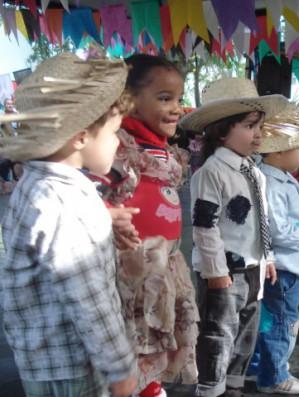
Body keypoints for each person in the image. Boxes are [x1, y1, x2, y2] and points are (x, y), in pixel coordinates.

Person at [0, 53, 137, 397]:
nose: (118, 143)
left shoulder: (38, 185)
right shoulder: (65, 203)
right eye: (114, 132)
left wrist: (102, 221)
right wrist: (119, 366)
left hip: (44, 354)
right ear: (80, 137)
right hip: (72, 360)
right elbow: (88, 298)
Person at [91, 54, 199, 397]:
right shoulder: (120, 146)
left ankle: (151, 385)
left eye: (178, 99)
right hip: (134, 267)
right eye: (164, 98)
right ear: (129, 103)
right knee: (137, 332)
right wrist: (107, 210)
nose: (175, 108)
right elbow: (90, 189)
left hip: (165, 262)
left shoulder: (165, 149)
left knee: (160, 330)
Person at [180, 77, 288, 397]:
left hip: (252, 267)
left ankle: (234, 387)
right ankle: (211, 389)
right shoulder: (211, 172)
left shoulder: (253, 171)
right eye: (249, 126)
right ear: (222, 129)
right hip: (224, 273)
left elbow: (261, 219)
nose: (258, 134)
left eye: (260, 126)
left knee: (246, 334)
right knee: (218, 334)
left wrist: (267, 257)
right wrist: (215, 271)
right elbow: (205, 225)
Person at [251, 106, 299, 394]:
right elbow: (279, 230)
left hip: (285, 266)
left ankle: (261, 367)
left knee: (271, 319)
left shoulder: (280, 177)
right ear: (280, 150)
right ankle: (275, 376)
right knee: (283, 322)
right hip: (284, 267)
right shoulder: (270, 182)